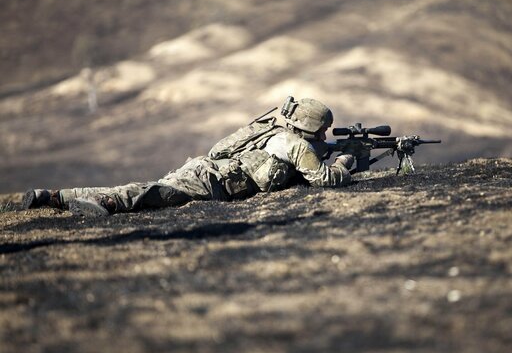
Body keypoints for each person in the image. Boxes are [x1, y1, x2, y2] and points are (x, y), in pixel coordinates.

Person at [22, 97, 355, 217]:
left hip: (205, 168)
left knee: (146, 185)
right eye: (323, 130)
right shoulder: (294, 145)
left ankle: (54, 196)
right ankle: (107, 204)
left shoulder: (271, 129)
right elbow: (322, 179)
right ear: (311, 127)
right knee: (153, 193)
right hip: (212, 182)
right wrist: (342, 165)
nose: (325, 136)